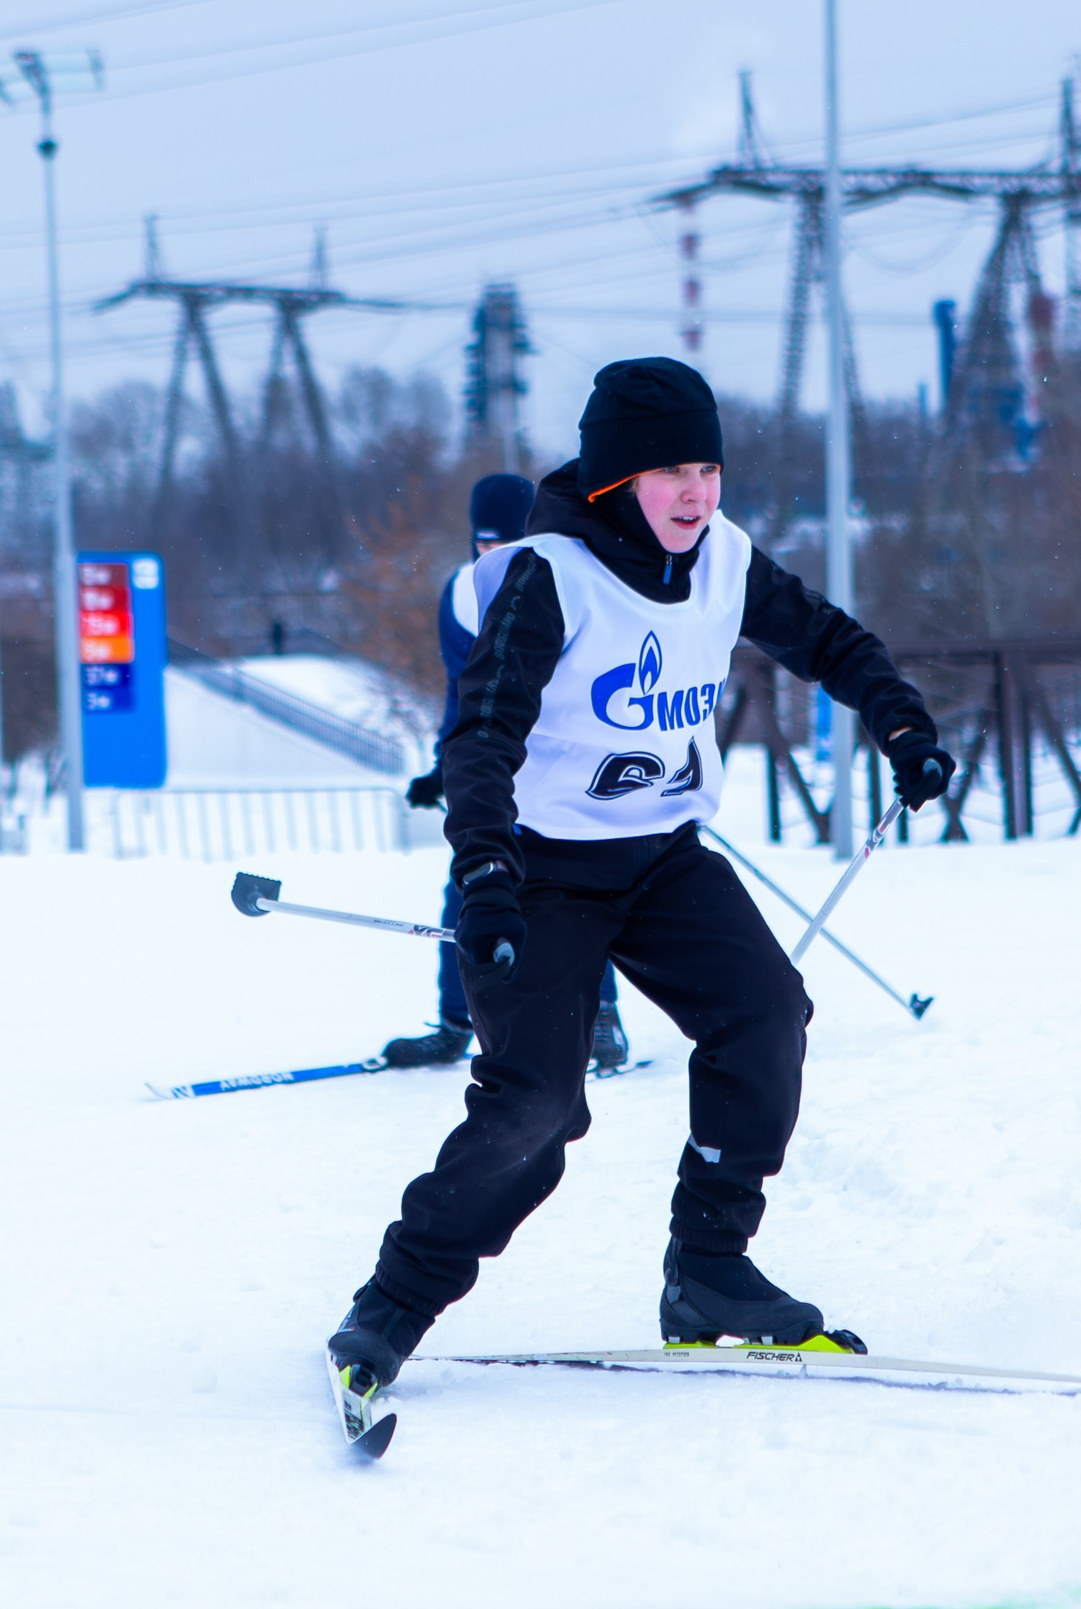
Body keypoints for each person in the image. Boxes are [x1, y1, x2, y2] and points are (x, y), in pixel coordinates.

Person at [327, 357, 954, 1402]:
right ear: (618, 478)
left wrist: (901, 720)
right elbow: (480, 739)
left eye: (708, 466)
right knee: (535, 1104)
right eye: (671, 471)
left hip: (662, 855)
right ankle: (389, 1306)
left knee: (764, 1016)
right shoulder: (549, 576)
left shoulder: (725, 561)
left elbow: (830, 641)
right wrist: (483, 872)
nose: (697, 491)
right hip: (540, 871)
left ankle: (707, 1269)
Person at [386, 473, 633, 1075]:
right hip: (496, 768)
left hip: (567, 769)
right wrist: (444, 768)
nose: (494, 559)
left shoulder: (570, 581)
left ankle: (602, 1019)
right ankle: (455, 1022)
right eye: (484, 545)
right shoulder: (461, 595)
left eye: (510, 543)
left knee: (579, 892)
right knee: (471, 885)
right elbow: (464, 695)